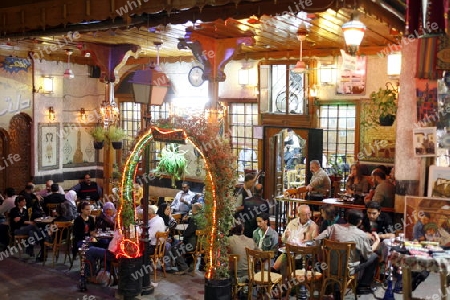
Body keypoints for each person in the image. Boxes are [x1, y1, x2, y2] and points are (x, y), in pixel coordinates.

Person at [314, 209, 380, 296]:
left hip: (328, 267)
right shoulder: (361, 235)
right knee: (374, 256)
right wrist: (377, 241)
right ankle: (363, 286)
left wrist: (321, 256)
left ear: (346, 218)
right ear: (360, 222)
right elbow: (367, 254)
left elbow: (317, 240)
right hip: (347, 270)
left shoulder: (333, 227)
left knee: (342, 258)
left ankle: (336, 287)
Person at [273, 205, 319, 274]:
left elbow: (315, 244)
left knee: (286, 258)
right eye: (304, 215)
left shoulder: (313, 226)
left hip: (304, 253)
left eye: (309, 214)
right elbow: (283, 240)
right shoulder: (292, 223)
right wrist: (286, 236)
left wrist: (309, 240)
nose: (307, 217)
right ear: (299, 215)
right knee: (282, 259)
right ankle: (280, 276)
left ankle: (285, 277)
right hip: (291, 251)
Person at [173, 203, 204, 275]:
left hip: (192, 245)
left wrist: (182, 240)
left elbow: (187, 233)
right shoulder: (203, 217)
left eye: (192, 208)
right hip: (201, 244)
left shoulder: (194, 219)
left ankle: (183, 267)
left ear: (194, 209)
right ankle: (191, 264)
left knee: (175, 248)